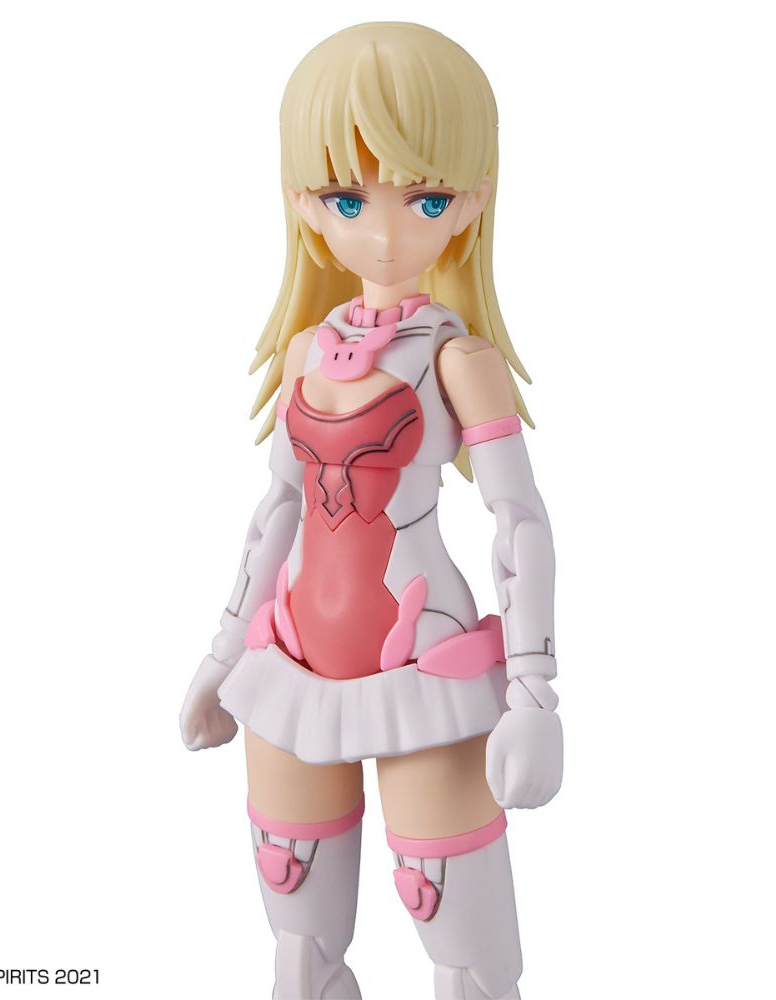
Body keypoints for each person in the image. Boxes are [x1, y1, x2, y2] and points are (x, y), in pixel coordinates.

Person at [180, 22, 562, 1000]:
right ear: (303, 201)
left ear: (470, 200)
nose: (385, 234)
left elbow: (518, 523)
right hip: (288, 659)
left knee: (461, 942)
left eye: (424, 197)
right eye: (347, 199)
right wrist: (221, 656)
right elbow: (276, 510)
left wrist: (533, 693)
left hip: (421, 665)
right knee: (298, 941)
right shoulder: (305, 351)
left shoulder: (458, 360)